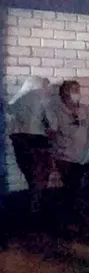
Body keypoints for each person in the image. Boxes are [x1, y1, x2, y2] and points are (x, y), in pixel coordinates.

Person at [8, 76, 54, 222]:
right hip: (38, 141)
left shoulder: (16, 100)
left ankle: (32, 210)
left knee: (30, 177)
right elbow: (53, 124)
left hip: (19, 142)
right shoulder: (42, 98)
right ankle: (37, 213)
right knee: (40, 177)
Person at [49, 80, 89, 235]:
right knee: (68, 192)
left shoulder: (84, 110)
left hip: (83, 157)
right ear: (64, 93)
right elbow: (52, 134)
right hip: (65, 158)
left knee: (82, 191)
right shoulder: (56, 111)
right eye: (73, 90)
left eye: (78, 89)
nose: (77, 93)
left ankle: (80, 221)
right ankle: (67, 223)